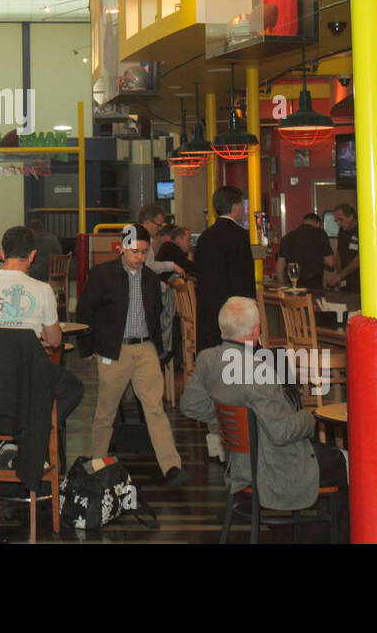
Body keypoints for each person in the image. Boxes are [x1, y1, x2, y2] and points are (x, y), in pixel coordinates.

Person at [180, 296, 348, 511]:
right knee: (353, 463)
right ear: (256, 330)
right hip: (277, 470)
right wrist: (310, 417)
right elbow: (282, 432)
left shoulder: (207, 359)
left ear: (222, 327)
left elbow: (190, 405)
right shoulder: (259, 371)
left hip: (240, 467)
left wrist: (237, 421)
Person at [0, 225, 84, 463]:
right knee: (73, 388)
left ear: (2, 254)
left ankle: (4, 439)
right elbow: (55, 341)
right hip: (24, 380)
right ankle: (33, 430)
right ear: (33, 255)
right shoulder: (42, 290)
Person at [77, 223, 189, 487]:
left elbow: (156, 316)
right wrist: (87, 347)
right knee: (106, 410)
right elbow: (85, 312)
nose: (140, 257)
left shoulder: (150, 279)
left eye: (144, 251)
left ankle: (171, 466)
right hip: (114, 351)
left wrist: (161, 351)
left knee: (155, 407)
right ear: (123, 247)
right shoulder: (103, 275)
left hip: (145, 348)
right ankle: (97, 461)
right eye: (136, 251)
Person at [193, 186, 256, 354]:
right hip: (233, 314)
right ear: (234, 207)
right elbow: (245, 278)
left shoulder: (204, 237)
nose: (244, 209)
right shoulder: (239, 236)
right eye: (242, 205)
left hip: (208, 312)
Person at [276, 213, 334, 289]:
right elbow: (331, 263)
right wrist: (317, 259)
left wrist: (282, 286)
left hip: (292, 284)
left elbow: (279, 268)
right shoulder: (320, 234)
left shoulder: (287, 238)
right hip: (313, 284)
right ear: (318, 224)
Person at [136, 203, 181, 277]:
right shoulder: (138, 241)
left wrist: (171, 266)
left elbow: (150, 265)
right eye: (159, 225)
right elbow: (146, 270)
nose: (160, 229)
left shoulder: (144, 238)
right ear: (147, 223)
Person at [326, 204, 361, 294]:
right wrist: (338, 275)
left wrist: (340, 275)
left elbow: (360, 258)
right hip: (345, 277)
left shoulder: (362, 230)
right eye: (336, 220)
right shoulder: (342, 231)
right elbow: (339, 253)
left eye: (341, 219)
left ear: (350, 217)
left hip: (360, 277)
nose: (338, 223)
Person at [26, 217, 63, 282]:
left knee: (24, 272)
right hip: (58, 271)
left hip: (44, 272)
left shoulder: (35, 238)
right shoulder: (53, 236)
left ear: (31, 230)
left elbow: (27, 255)